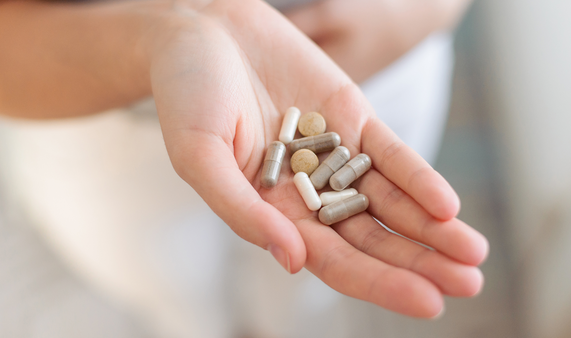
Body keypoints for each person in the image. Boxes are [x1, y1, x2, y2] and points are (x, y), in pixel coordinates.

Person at [0, 0, 487, 336]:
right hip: (101, 113)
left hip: (374, 84)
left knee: (305, 290)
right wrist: (156, 42)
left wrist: (417, 10)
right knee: (174, 291)